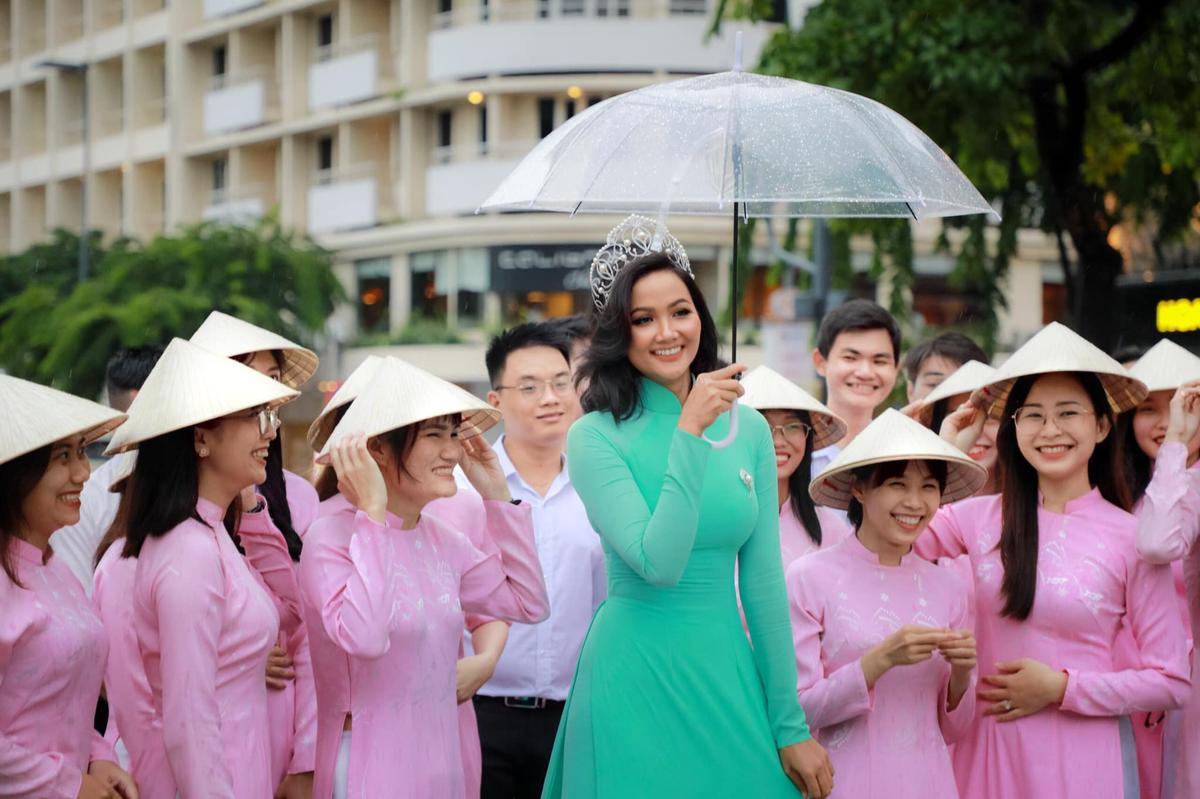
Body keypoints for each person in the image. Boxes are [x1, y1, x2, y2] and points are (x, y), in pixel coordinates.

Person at [543, 244, 833, 798]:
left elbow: (764, 583)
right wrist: (690, 433)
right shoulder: (594, 436)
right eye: (643, 319)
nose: (667, 332)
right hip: (633, 675)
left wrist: (789, 724)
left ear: (700, 315)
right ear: (619, 334)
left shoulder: (748, 429)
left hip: (726, 664)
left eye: (680, 311)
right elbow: (659, 563)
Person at [919, 322, 1190, 799]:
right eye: (1034, 416)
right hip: (985, 752)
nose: (1050, 431)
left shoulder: (1133, 537)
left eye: (1068, 413)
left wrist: (1062, 688)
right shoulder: (972, 519)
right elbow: (890, 543)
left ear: (1102, 425)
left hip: (1083, 761)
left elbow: (1170, 681)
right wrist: (945, 458)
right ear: (1014, 426)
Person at [298, 357, 550, 799]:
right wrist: (373, 516)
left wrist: (496, 496)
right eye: (435, 435)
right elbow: (366, 638)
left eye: (454, 434)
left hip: (443, 762)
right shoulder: (329, 535)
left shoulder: (440, 537)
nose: (453, 452)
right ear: (376, 448)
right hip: (369, 768)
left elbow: (529, 604)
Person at [103, 337, 301, 798]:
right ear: (200, 437)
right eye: (254, 417)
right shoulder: (188, 549)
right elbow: (187, 722)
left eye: (269, 416)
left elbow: (292, 613)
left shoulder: (211, 536)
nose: (270, 432)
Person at [441, 322, 605, 799]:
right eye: (529, 387)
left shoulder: (601, 488)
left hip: (575, 717)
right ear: (495, 403)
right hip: (479, 709)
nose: (550, 398)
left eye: (560, 383)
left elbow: (606, 603)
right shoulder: (460, 491)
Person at [791, 409, 986, 798]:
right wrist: (877, 662)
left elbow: (956, 729)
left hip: (930, 781)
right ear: (859, 489)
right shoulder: (808, 577)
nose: (915, 502)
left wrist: (963, 675)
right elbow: (797, 711)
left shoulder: (948, 586)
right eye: (897, 484)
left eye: (929, 487)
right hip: (844, 781)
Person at [189, 310, 322, 798]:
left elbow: (309, 630)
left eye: (270, 381)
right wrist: (240, 654)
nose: (264, 399)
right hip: (212, 731)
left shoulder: (298, 500)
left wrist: (308, 754)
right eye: (245, 379)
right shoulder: (161, 524)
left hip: (283, 721)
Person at [0, 374, 138, 799]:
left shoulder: (55, 569)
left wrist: (98, 755)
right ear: (16, 474)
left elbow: (69, 700)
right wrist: (69, 784)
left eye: (81, 452)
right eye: (62, 456)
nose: (82, 472)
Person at [1126, 339, 1200, 799]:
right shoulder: (1120, 486)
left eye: (1182, 403)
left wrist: (1175, 444)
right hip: (1129, 686)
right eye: (1147, 408)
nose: (1166, 420)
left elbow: (1158, 543)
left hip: (1186, 688)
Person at [50, 345, 163, 594]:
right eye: (66, 455)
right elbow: (80, 596)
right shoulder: (82, 499)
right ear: (141, 400)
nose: (80, 471)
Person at [740, 365, 851, 564]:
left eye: (791, 426)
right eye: (763, 426)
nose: (778, 440)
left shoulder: (831, 528)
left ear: (807, 436)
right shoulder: (718, 521)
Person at [810, 299, 902, 476]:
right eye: (850, 358)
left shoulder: (905, 451)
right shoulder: (793, 449)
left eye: (880, 361)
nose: (865, 372)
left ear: (896, 369)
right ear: (821, 362)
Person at [915, 360, 1001, 494]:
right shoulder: (927, 504)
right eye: (959, 417)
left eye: (988, 417)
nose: (976, 431)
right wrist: (953, 452)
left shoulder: (1038, 499)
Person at [904, 332, 989, 403]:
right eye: (935, 385)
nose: (948, 394)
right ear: (910, 392)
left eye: (963, 386)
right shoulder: (892, 422)